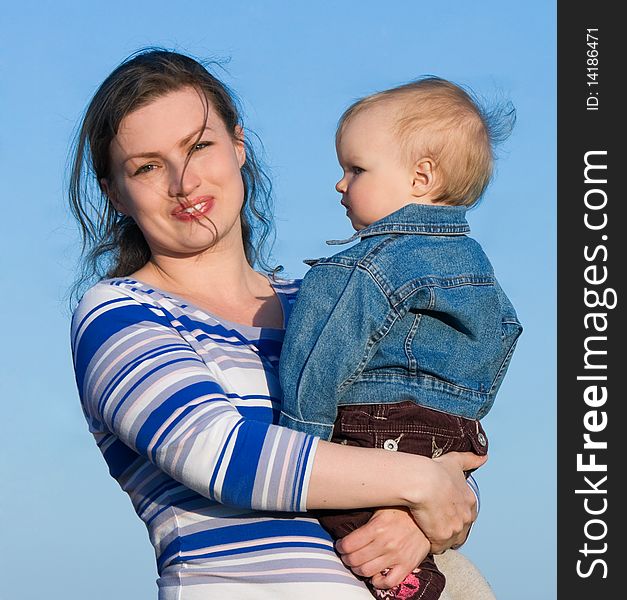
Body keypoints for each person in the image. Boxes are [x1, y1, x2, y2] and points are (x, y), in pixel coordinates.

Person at [68, 49, 485, 600]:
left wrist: (413, 524)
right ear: (115, 193)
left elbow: (436, 431)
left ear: (238, 145)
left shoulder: (326, 301)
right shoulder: (118, 312)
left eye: (198, 146)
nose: (183, 181)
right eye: (146, 166)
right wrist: (421, 482)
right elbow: (221, 455)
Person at [278, 77, 523, 600]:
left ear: (421, 177)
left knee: (354, 531)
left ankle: (416, 586)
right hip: (447, 440)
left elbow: (319, 360)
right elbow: (501, 337)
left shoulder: (362, 269)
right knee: (400, 529)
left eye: (356, 169)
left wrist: (301, 442)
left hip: (373, 428)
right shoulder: (476, 265)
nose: (340, 185)